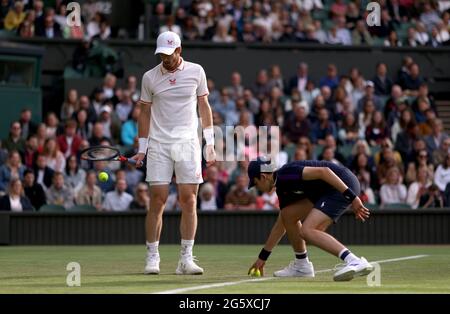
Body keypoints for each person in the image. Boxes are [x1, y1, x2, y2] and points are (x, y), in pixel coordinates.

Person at [132, 31, 216, 275]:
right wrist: (142, 148)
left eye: (169, 54)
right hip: (159, 144)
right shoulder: (149, 77)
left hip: (188, 144)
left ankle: (186, 259)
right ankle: (152, 257)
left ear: (179, 50)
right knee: (157, 201)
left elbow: (204, 106)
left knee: (189, 201)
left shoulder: (196, 71)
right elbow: (145, 113)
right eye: (161, 55)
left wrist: (209, 143)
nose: (165, 59)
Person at [247, 157, 372, 281]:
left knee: (307, 231)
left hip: (342, 184)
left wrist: (352, 197)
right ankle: (302, 266)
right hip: (324, 191)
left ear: (263, 177)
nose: (257, 188)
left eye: (256, 184)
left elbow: (324, 172)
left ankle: (354, 261)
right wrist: (262, 258)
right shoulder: (282, 186)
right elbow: (281, 225)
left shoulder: (286, 174)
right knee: (287, 215)